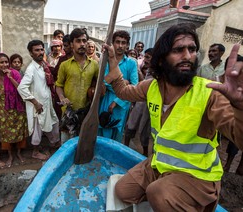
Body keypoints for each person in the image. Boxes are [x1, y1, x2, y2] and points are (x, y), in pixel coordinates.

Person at [104, 23, 243, 211]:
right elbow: (124, 91)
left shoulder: (209, 93)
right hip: (159, 166)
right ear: (161, 59)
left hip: (198, 177)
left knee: (157, 193)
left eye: (192, 49)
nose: (187, 56)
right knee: (123, 191)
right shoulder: (152, 86)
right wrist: (113, 60)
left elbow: (238, 137)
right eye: (178, 50)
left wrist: (240, 108)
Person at [17, 40, 60, 160]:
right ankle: (35, 152)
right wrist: (35, 102)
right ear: (31, 53)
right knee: (38, 130)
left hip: (47, 104)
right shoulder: (31, 69)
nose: (40, 52)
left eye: (41, 49)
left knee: (52, 124)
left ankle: (54, 144)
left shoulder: (43, 66)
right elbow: (22, 88)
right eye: (37, 50)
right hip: (38, 107)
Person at [55, 28, 99, 143]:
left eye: (84, 41)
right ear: (71, 44)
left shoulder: (94, 65)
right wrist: (62, 98)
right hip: (68, 112)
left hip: (86, 113)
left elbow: (99, 85)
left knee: (82, 143)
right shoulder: (65, 65)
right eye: (78, 41)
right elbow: (58, 85)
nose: (82, 44)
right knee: (66, 145)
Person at [0, 53, 28, 167]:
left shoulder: (15, 73)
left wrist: (10, 77)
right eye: (1, 62)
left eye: (6, 62)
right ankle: (10, 155)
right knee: (5, 133)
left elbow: (22, 89)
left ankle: (19, 153)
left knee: (20, 130)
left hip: (17, 107)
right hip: (2, 109)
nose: (5, 64)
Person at [98, 30, 138, 142]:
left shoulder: (131, 63)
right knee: (102, 130)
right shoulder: (104, 61)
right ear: (113, 43)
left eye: (123, 43)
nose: (120, 46)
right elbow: (102, 82)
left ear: (127, 45)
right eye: (117, 42)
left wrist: (116, 102)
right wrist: (122, 82)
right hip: (104, 99)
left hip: (122, 102)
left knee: (117, 134)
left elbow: (134, 86)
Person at [124, 48, 153, 156]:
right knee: (131, 125)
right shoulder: (147, 70)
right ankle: (125, 148)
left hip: (148, 107)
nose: (145, 59)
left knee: (145, 131)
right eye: (145, 57)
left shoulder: (158, 74)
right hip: (139, 104)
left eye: (148, 57)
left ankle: (144, 155)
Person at [52, 34, 73, 119]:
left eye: (66, 46)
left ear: (72, 45)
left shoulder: (85, 61)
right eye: (64, 46)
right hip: (61, 93)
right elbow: (55, 74)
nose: (64, 48)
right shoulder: (62, 60)